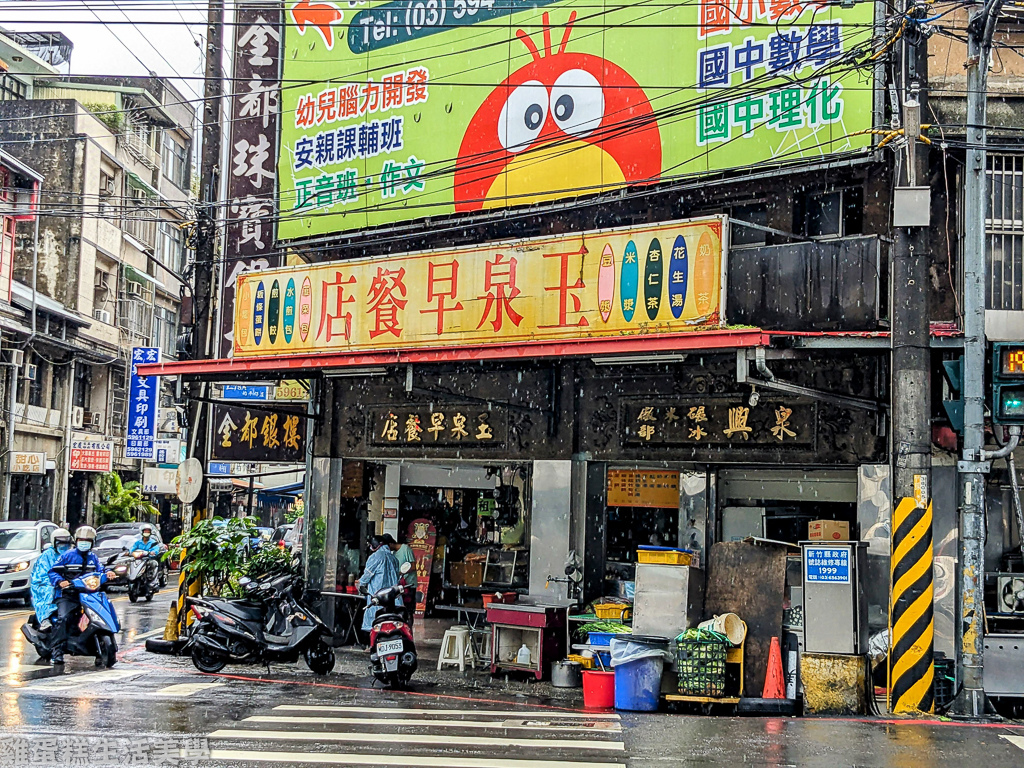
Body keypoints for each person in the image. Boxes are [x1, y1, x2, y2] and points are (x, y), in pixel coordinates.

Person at [47, 526, 114, 666]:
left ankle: (96, 650)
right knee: (64, 618)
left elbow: (101, 569)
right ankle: (56, 651)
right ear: (76, 541)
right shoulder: (67, 556)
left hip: (89, 595)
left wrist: (108, 573)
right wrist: (61, 581)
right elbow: (53, 571)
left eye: (87, 541)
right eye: (81, 540)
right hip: (68, 595)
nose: (84, 543)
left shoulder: (93, 557)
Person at [355, 535, 399, 633]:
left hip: (377, 598)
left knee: (373, 624)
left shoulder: (375, 557)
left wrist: (359, 584)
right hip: (392, 598)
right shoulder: (394, 559)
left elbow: (366, 577)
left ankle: (370, 645)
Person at [29, 528, 72, 629]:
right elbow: (42, 574)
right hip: (46, 583)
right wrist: (57, 582)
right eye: (60, 543)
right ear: (54, 542)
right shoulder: (47, 556)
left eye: (66, 543)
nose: (63, 546)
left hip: (68, 583)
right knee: (49, 590)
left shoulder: (71, 554)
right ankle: (45, 619)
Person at [381, 533, 417, 624]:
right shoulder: (392, 553)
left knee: (408, 609)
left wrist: (401, 572)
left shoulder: (405, 549)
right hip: (397, 585)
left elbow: (413, 566)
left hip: (408, 584)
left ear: (390, 544)